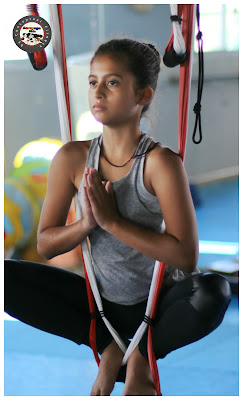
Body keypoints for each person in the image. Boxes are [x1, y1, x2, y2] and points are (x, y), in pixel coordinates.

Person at [4, 38, 231, 396]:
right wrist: (87, 224)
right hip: (97, 306)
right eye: (93, 82)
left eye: (112, 82)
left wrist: (113, 223)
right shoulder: (72, 158)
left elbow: (186, 257)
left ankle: (141, 355)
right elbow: (45, 244)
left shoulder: (161, 163)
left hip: (157, 305)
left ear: (142, 95)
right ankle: (109, 349)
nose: (98, 93)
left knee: (214, 291)